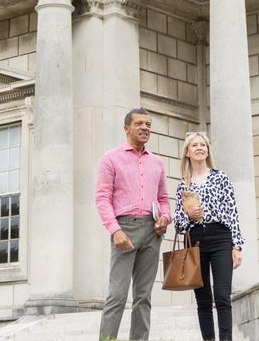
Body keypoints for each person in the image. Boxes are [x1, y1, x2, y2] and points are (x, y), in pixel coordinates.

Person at [96, 107, 171, 341]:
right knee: (117, 295)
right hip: (124, 229)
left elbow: (163, 199)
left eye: (148, 124)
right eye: (139, 124)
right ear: (126, 128)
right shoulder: (111, 158)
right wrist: (114, 229)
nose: (145, 128)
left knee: (143, 296)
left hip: (152, 231)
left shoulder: (157, 163)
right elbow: (102, 198)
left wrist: (165, 219)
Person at [172, 131, 244, 341]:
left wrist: (237, 246)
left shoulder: (220, 177)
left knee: (222, 296)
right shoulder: (183, 185)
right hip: (195, 240)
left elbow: (233, 212)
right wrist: (189, 214)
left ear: (207, 150)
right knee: (203, 299)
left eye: (203, 145)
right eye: (194, 145)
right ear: (187, 152)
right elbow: (177, 223)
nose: (199, 148)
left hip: (221, 237)